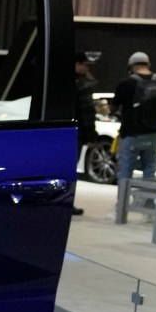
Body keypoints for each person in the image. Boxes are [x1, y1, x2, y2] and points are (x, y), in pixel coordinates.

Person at [112, 51, 156, 187]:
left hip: (131, 134)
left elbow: (114, 106)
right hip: (154, 134)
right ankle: (148, 199)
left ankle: (123, 199)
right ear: (148, 64)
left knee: (126, 170)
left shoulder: (127, 83)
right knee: (150, 170)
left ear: (131, 66)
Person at [73, 52, 98, 216]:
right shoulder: (81, 85)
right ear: (77, 64)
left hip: (63, 131)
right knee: (70, 169)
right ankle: (67, 202)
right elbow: (87, 111)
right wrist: (91, 133)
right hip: (76, 133)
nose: (87, 69)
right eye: (86, 65)